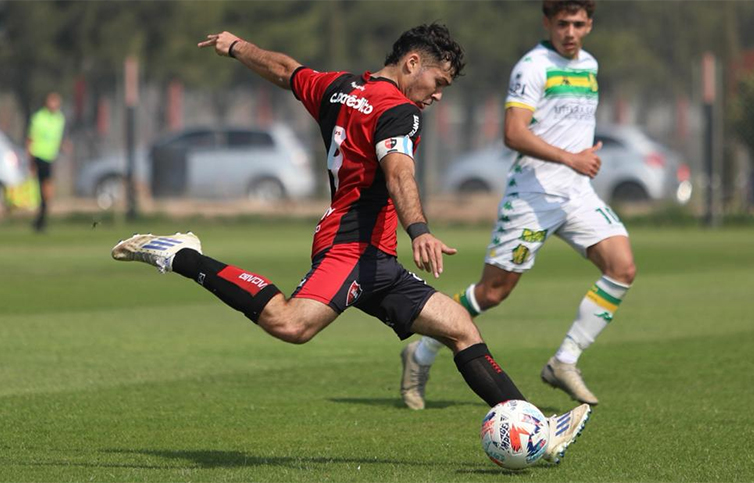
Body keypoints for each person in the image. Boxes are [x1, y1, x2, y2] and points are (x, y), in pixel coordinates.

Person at [111, 24, 591, 464]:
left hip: (375, 257)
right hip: (352, 247)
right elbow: (399, 173)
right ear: (412, 63)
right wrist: (419, 230)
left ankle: (538, 429)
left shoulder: (339, 87)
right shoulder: (400, 112)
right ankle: (181, 255)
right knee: (290, 323)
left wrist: (237, 47)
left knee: (460, 327)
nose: (438, 95)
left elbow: (285, 70)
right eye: (438, 82)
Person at [401, 0, 636, 410]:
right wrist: (571, 158)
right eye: (562, 23)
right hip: (532, 196)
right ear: (547, 23)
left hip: (577, 194)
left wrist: (577, 162)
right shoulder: (533, 67)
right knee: (492, 293)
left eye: (578, 23)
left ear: (589, 25)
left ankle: (564, 361)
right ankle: (421, 352)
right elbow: (513, 132)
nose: (570, 32)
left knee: (622, 268)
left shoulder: (590, 66)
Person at [27, 92, 68, 232]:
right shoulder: (38, 118)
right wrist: (30, 159)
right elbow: (30, 139)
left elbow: (57, 138)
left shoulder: (60, 119)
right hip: (39, 155)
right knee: (41, 188)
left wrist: (63, 145)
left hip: (51, 157)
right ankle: (41, 217)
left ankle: (41, 217)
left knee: (47, 190)